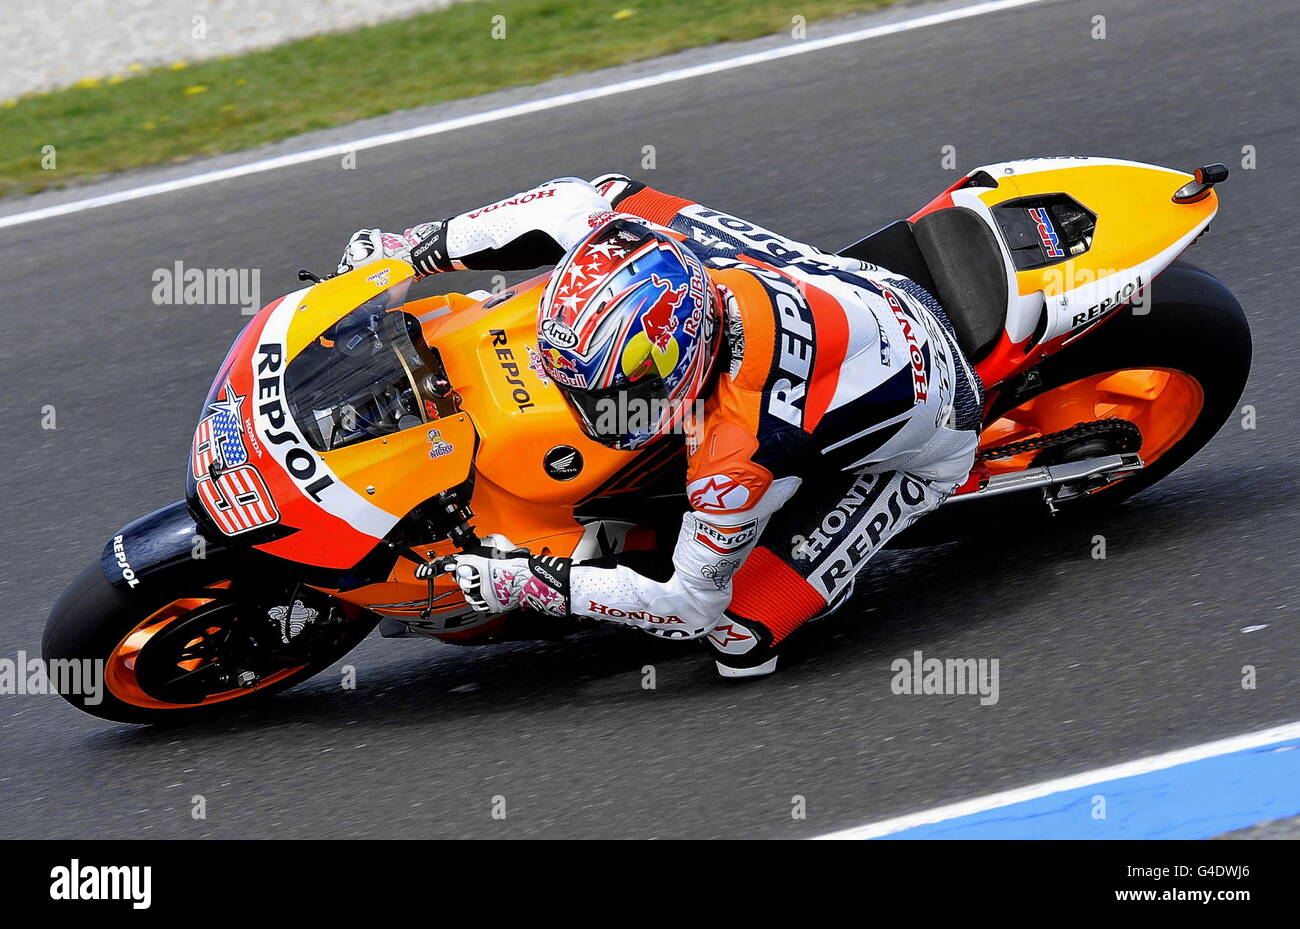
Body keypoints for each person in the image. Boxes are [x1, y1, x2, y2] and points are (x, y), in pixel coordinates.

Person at [337, 174, 983, 677]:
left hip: (938, 422)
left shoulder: (737, 453)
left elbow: (687, 604)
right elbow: (567, 202)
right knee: (619, 194)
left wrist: (528, 581)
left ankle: (820, 563)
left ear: (681, 365)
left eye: (614, 396)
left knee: (735, 636)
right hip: (855, 291)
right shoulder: (668, 261)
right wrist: (409, 251)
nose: (596, 414)